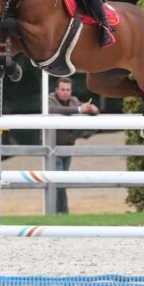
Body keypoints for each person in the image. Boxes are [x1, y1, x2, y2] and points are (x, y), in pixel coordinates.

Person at [47, 77, 99, 214]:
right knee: (59, 183)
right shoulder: (50, 100)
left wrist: (92, 109)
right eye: (62, 89)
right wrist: (79, 109)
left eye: (68, 90)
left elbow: (88, 110)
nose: (65, 92)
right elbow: (52, 109)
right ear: (56, 90)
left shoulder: (74, 101)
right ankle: (63, 212)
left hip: (68, 149)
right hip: (53, 148)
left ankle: (57, 213)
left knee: (61, 183)